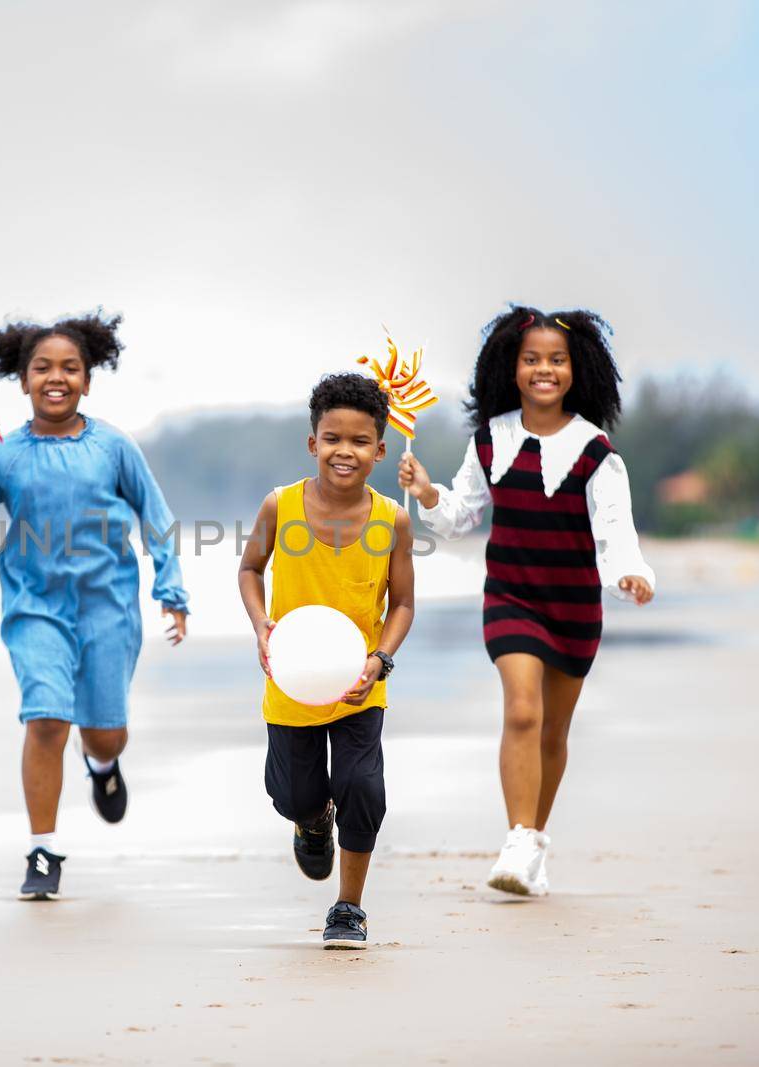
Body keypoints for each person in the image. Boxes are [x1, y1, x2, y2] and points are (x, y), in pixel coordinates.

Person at [397, 307, 654, 897]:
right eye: (532, 359)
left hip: (574, 606)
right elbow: (460, 514)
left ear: (576, 368)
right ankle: (518, 836)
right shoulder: (491, 439)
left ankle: (534, 842)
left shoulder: (596, 450)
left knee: (553, 736)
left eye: (556, 360)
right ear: (510, 368)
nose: (544, 369)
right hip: (511, 596)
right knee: (521, 711)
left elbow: (614, 527)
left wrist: (631, 575)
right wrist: (426, 491)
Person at [0, 310, 189, 901]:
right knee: (47, 718)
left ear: (88, 379)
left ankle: (102, 766)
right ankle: (44, 851)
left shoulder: (114, 447)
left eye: (70, 368)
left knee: (105, 734)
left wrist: (172, 591)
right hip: (35, 609)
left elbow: (157, 520)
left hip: (109, 608)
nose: (57, 377)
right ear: (22, 380)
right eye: (43, 368)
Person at [239, 372, 416, 948]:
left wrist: (381, 660)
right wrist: (261, 622)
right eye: (333, 438)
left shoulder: (393, 519)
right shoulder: (280, 505)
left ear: (381, 450)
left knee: (363, 787)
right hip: (290, 682)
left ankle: (349, 907)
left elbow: (404, 602)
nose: (346, 451)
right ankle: (312, 822)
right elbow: (249, 569)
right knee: (293, 795)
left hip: (360, 683)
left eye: (360, 441)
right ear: (312, 442)